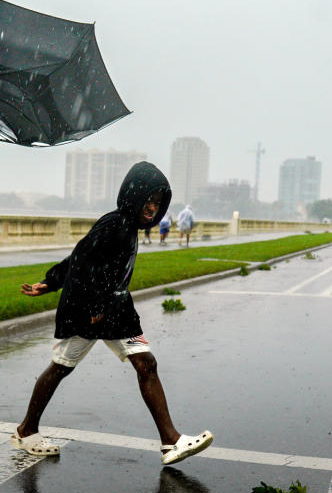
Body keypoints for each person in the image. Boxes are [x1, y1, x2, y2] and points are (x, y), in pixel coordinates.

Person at [13, 161, 213, 466]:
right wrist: (57, 285)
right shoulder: (115, 224)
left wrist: (53, 284)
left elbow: (88, 260)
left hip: (117, 311)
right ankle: (27, 430)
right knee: (60, 367)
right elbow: (81, 259)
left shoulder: (130, 227)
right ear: (133, 196)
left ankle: (170, 441)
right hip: (91, 311)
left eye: (158, 203)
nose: (152, 208)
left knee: (147, 364)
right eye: (148, 200)